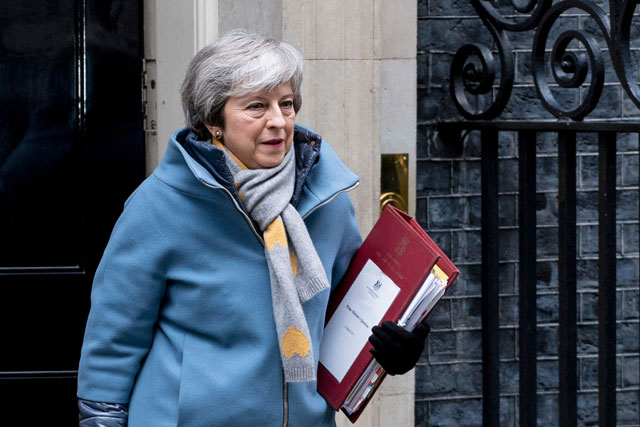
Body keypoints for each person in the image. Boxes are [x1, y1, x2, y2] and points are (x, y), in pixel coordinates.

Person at [77, 29, 430, 427]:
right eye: (257, 106)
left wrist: (397, 346)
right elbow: (114, 335)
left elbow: (350, 310)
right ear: (214, 120)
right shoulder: (160, 205)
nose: (278, 121)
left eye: (287, 104)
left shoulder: (328, 201)